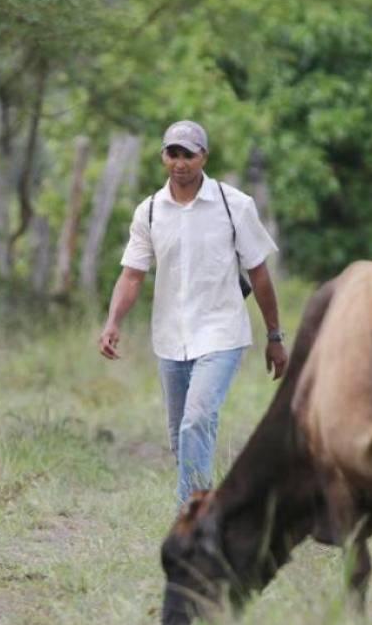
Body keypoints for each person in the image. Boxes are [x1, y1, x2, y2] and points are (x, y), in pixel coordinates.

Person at [97, 120, 288, 506]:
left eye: (189, 154)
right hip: (170, 336)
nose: (180, 162)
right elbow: (132, 276)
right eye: (173, 153)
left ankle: (194, 517)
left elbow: (259, 273)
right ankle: (205, 500)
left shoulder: (234, 205)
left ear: (204, 156)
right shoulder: (149, 211)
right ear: (163, 156)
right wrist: (113, 322)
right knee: (180, 434)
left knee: (196, 419)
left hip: (221, 333)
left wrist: (274, 336)